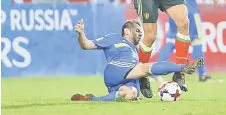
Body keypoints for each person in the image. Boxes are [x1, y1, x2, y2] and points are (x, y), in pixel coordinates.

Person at [71, 19, 204, 102]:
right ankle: (182, 67)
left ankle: (91, 99)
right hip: (116, 69)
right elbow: (86, 45)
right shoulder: (114, 38)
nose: (141, 34)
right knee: (144, 68)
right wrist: (81, 34)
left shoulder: (135, 50)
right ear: (127, 31)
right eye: (138, 31)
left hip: (124, 81)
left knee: (131, 94)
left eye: (141, 32)